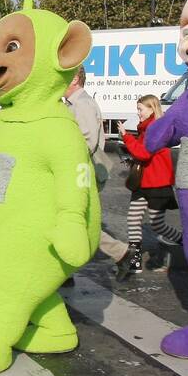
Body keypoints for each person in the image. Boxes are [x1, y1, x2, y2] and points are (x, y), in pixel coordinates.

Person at [63, 68, 131, 269]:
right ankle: (67, 273)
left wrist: (63, 160)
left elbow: (87, 140)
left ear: (75, 79)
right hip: (82, 170)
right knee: (74, 220)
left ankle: (122, 253)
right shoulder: (76, 103)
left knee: (76, 220)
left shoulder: (82, 104)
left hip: (81, 171)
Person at [116, 95, 183, 280]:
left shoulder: (156, 128)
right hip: (143, 182)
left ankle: (185, 241)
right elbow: (140, 151)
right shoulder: (145, 128)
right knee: (133, 219)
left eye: (141, 109)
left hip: (157, 183)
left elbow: (144, 153)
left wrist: (126, 137)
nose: (138, 113)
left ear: (152, 109)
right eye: (137, 109)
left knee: (157, 224)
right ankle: (134, 261)